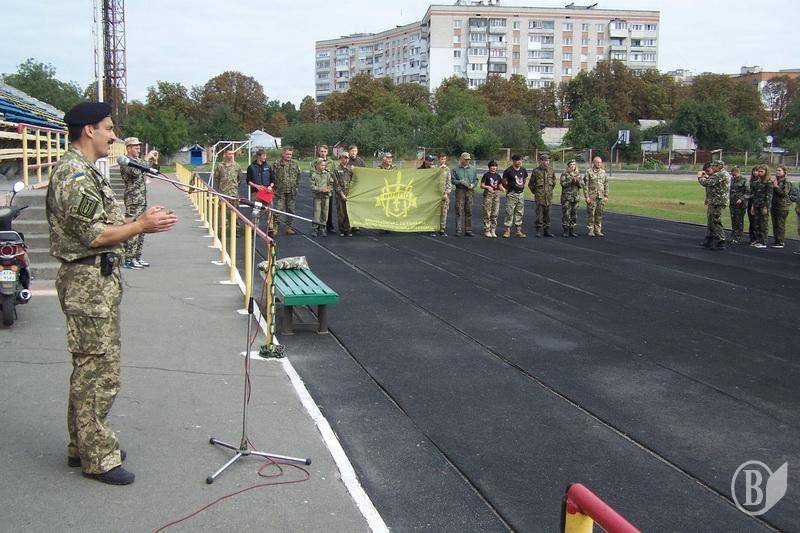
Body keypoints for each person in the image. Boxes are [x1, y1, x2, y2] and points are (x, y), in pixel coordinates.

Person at [46, 101, 177, 485]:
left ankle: (83, 445)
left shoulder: (86, 170)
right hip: (87, 284)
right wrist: (141, 226)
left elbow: (105, 222)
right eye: (108, 128)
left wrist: (140, 220)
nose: (113, 136)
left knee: (91, 368)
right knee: (98, 372)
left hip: (96, 282)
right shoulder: (74, 176)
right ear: (89, 130)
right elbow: (95, 235)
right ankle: (98, 458)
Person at [120, 137, 149, 269]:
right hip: (132, 199)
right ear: (129, 148)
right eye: (135, 146)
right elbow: (136, 172)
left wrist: (151, 161)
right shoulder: (126, 162)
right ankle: (128, 258)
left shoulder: (138, 161)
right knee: (133, 228)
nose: (138, 149)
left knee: (142, 228)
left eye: (138, 146)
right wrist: (147, 159)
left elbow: (148, 169)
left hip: (141, 198)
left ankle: (137, 256)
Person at [697, 160, 729, 250]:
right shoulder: (722, 174)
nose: (712, 168)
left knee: (715, 221)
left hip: (717, 201)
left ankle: (721, 240)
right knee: (711, 220)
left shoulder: (719, 174)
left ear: (718, 167)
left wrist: (700, 177)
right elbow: (712, 183)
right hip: (715, 200)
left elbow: (707, 183)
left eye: (714, 166)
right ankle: (710, 238)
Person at [272, 146, 301, 235]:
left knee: (291, 210)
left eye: (290, 154)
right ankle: (275, 228)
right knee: (277, 210)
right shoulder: (276, 164)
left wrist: (296, 186)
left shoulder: (295, 164)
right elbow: (272, 176)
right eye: (287, 154)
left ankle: (288, 227)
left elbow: (298, 176)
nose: (289, 156)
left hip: (291, 191)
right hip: (280, 192)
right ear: (283, 154)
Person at [529, 153, 556, 237]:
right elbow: (531, 184)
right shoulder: (536, 171)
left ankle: (546, 230)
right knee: (539, 215)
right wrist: (536, 192)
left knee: (547, 215)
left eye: (548, 160)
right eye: (545, 160)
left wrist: (549, 191)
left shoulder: (551, 170)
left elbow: (554, 183)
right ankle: (538, 230)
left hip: (548, 197)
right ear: (541, 161)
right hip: (539, 197)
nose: (547, 162)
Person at [501, 154, 528, 238]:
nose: (519, 162)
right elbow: (504, 181)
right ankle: (507, 230)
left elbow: (524, 179)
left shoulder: (523, 170)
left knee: (519, 212)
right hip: (512, 194)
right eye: (517, 160)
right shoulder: (508, 171)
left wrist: (522, 186)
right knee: (509, 212)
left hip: (520, 194)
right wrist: (508, 188)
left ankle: (518, 230)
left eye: (520, 160)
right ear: (513, 161)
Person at [451, 152, 477, 236]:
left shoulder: (473, 169)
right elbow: (452, 180)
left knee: (469, 210)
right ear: (461, 159)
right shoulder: (455, 169)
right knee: (459, 210)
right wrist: (460, 182)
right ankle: (458, 230)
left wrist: (473, 185)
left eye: (468, 159)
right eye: (465, 159)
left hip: (470, 191)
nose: (467, 161)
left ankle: (468, 230)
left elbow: (476, 179)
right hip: (460, 190)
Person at [584, 156, 609, 237]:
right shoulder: (589, 172)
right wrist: (587, 197)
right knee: (591, 214)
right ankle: (591, 230)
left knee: (599, 214)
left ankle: (598, 230)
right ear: (593, 163)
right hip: (592, 197)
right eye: (597, 162)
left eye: (600, 162)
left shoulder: (603, 172)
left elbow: (606, 184)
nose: (599, 164)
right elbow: (585, 185)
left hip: (601, 197)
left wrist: (606, 196)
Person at [749, 165, 772, 249]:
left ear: (766, 172)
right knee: (756, 223)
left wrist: (766, 207)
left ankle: (763, 241)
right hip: (756, 205)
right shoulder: (757, 183)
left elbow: (768, 196)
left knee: (763, 224)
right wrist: (753, 206)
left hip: (763, 206)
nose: (759, 173)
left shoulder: (768, 183)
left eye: (761, 171)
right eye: (759, 171)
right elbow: (754, 195)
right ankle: (758, 240)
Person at [770, 164, 793, 248]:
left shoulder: (786, 182)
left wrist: (776, 186)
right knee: (775, 224)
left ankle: (780, 242)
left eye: (779, 170)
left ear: (784, 172)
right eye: (776, 170)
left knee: (780, 224)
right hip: (774, 205)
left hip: (782, 206)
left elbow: (784, 194)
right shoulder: (776, 180)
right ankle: (776, 241)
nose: (777, 172)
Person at [480, 160, 505, 237]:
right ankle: (487, 230)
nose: (494, 167)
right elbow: (482, 185)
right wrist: (487, 187)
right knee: (487, 212)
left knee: (495, 213)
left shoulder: (498, 176)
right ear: (489, 167)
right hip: (488, 194)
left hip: (496, 194)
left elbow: (499, 185)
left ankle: (493, 230)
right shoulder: (486, 175)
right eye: (492, 166)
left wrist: (502, 188)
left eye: (495, 166)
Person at [560, 159, 583, 238]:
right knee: (566, 214)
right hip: (566, 198)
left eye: (574, 164)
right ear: (568, 166)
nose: (573, 166)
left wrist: (578, 181)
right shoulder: (565, 174)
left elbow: (581, 185)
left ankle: (572, 229)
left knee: (574, 214)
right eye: (571, 165)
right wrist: (571, 181)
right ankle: (565, 230)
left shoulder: (578, 174)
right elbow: (563, 184)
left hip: (575, 198)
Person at [310, 158, 333, 237]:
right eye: (321, 165)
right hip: (318, 197)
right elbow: (312, 186)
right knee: (316, 213)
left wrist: (328, 189)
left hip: (326, 197)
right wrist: (321, 189)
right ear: (317, 165)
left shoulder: (327, 174)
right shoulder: (314, 175)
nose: (323, 167)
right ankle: (315, 229)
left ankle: (323, 228)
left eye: (324, 165)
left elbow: (331, 184)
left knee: (325, 213)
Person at [332, 153, 353, 236]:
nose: (346, 159)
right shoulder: (336, 170)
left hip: (349, 194)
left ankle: (348, 229)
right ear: (341, 158)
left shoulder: (350, 169)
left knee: (348, 212)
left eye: (347, 158)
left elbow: (353, 180)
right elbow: (336, 184)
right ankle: (342, 230)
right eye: (345, 158)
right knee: (341, 213)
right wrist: (341, 194)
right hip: (340, 195)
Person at [317, 145, 336, 233]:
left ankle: (329, 226)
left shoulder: (331, 162)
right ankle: (317, 225)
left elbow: (333, 174)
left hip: (328, 189)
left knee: (328, 208)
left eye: (325, 151)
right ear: (319, 152)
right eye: (321, 151)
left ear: (327, 152)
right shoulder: (315, 162)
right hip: (318, 189)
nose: (323, 153)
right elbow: (312, 174)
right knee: (318, 209)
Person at [433, 153, 452, 237]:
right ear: (438, 159)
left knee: (444, 212)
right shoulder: (434, 168)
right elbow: (432, 179)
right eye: (441, 159)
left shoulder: (447, 170)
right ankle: (434, 228)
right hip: (435, 193)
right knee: (435, 212)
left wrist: (446, 193)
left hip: (444, 194)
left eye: (444, 159)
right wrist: (439, 170)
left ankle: (442, 229)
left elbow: (449, 182)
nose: (443, 161)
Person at [727, 166, 748, 245]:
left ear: (738, 173)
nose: (734, 176)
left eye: (735, 174)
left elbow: (748, 192)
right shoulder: (732, 180)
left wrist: (742, 198)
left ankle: (739, 237)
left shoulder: (744, 180)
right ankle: (733, 236)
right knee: (733, 220)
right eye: (732, 175)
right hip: (733, 203)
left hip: (740, 204)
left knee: (739, 221)